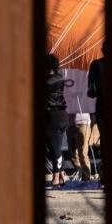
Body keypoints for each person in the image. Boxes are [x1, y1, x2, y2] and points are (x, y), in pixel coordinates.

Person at [44, 54, 68, 187]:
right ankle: (62, 175)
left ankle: (55, 177)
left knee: (55, 149)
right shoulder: (59, 77)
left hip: (54, 117)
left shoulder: (51, 81)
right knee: (54, 147)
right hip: (59, 116)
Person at [68, 111, 93, 181]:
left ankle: (86, 177)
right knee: (72, 152)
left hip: (83, 122)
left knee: (83, 153)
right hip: (70, 123)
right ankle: (79, 172)